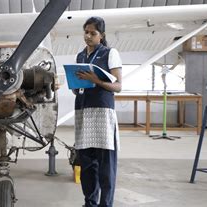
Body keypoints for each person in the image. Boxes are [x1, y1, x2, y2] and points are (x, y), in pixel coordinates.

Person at [74, 16, 122, 207]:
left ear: (101, 35)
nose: (88, 36)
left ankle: (106, 204)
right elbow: (77, 87)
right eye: (86, 32)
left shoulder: (110, 53)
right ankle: (89, 203)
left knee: (105, 166)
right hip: (83, 112)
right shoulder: (80, 56)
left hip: (102, 113)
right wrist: (75, 85)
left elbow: (118, 86)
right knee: (87, 165)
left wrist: (97, 81)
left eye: (93, 33)